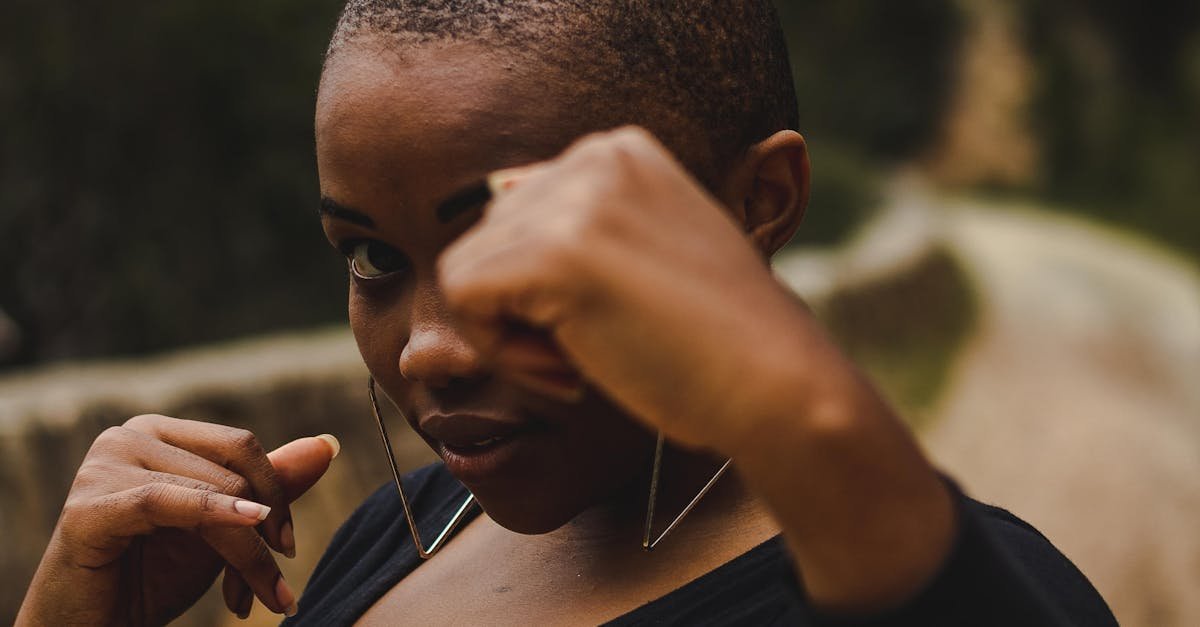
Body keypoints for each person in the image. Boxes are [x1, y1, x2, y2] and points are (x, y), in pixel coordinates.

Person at [19, 1, 1118, 625]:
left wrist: (792, 397)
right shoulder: (399, 538)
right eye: (371, 258)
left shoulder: (936, 588)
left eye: (517, 243)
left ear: (758, 203)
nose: (431, 348)